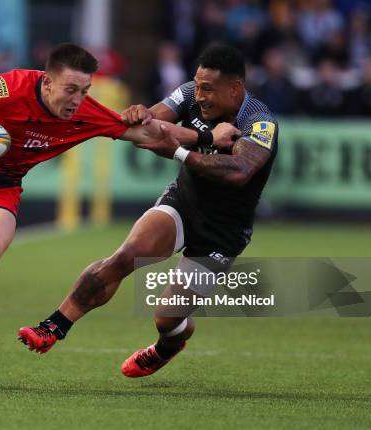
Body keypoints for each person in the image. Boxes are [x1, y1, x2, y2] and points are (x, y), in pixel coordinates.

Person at [0, 42, 239, 390]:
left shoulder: (85, 112)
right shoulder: (11, 86)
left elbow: (148, 133)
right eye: (70, 89)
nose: (76, 99)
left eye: (84, 90)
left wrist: (206, 136)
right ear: (47, 83)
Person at [18, 44, 279, 378]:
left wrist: (180, 151)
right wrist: (141, 114)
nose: (200, 95)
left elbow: (239, 170)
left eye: (208, 89)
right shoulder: (188, 94)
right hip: (182, 204)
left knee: (167, 317)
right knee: (126, 255)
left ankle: (168, 345)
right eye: (197, 86)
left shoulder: (259, 121)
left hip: (223, 232)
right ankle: (53, 326)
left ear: (235, 89)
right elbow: (150, 128)